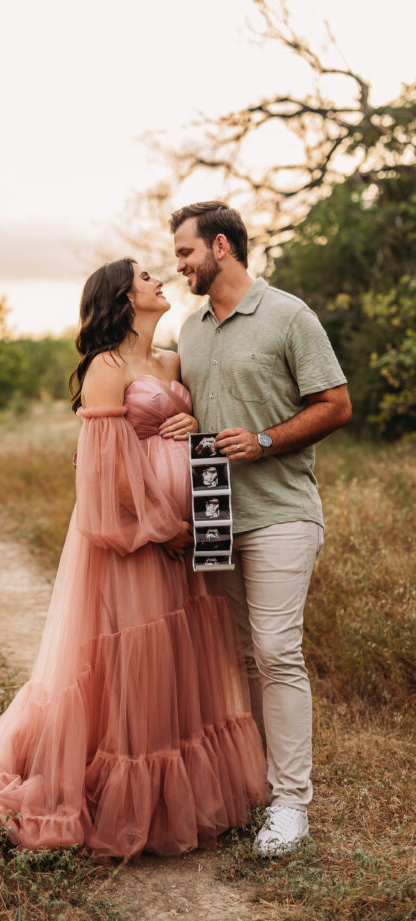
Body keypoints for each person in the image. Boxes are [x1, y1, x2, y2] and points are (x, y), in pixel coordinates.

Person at [0, 258, 267, 859]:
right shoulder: (105, 368)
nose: (158, 281)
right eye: (146, 277)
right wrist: (164, 529)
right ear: (122, 297)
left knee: (175, 657)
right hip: (136, 541)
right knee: (131, 655)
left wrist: (192, 419)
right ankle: (120, 798)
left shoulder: (170, 359)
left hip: (187, 538)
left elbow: (188, 434)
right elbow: (108, 472)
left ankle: (178, 799)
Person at [169, 201, 352, 856]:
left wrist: (267, 438)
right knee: (239, 660)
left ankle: (290, 804)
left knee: (276, 651)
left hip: (279, 512)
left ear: (221, 246)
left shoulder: (287, 315)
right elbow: (182, 413)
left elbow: (335, 404)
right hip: (213, 513)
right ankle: (254, 786)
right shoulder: (188, 330)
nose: (179, 264)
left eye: (186, 252)